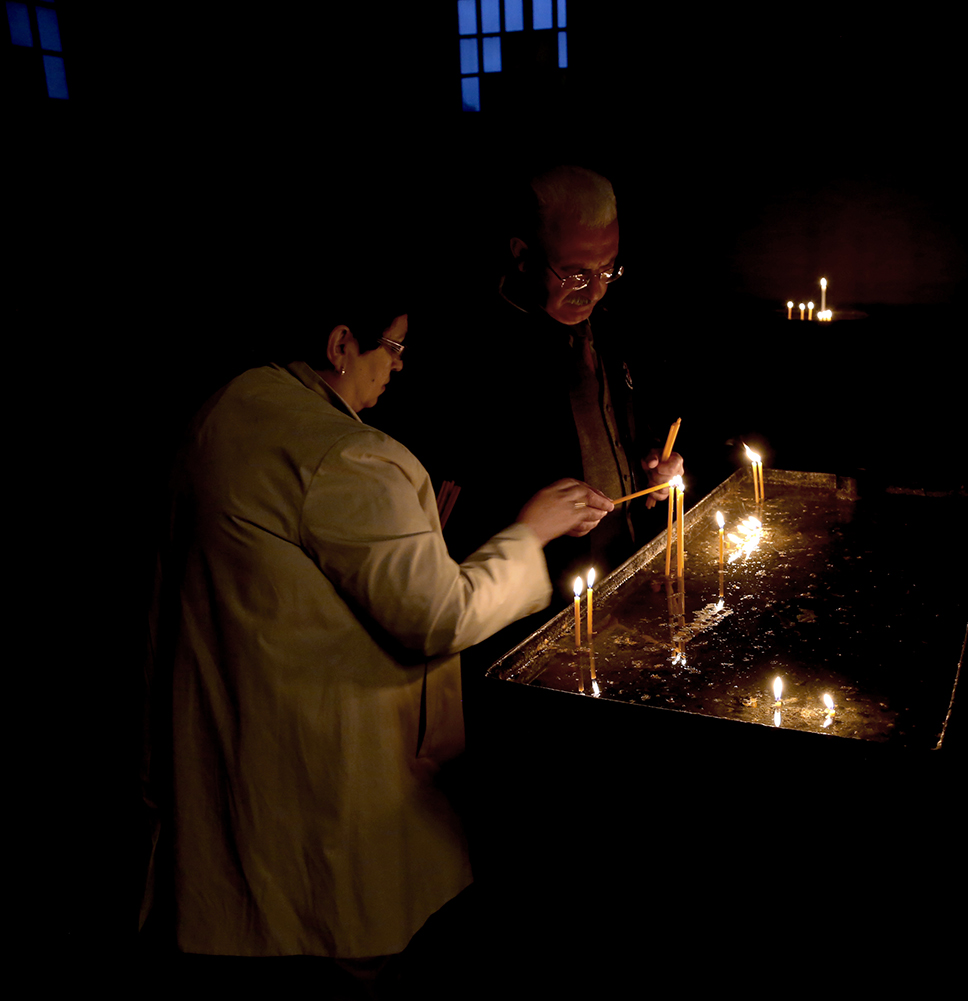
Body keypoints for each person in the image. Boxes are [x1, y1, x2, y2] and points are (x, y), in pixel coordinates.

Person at [142, 280, 614, 986]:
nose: (399, 365)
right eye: (392, 346)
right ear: (340, 344)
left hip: (227, 760)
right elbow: (441, 615)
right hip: (322, 786)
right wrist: (531, 529)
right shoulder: (354, 457)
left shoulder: (229, 407)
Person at [373, 166, 684, 654]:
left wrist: (650, 464)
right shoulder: (470, 353)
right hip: (536, 619)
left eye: (608, 270)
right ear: (522, 256)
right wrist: (540, 517)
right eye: (577, 272)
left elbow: (622, 416)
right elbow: (440, 519)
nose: (595, 289)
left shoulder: (612, 319)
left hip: (630, 580)